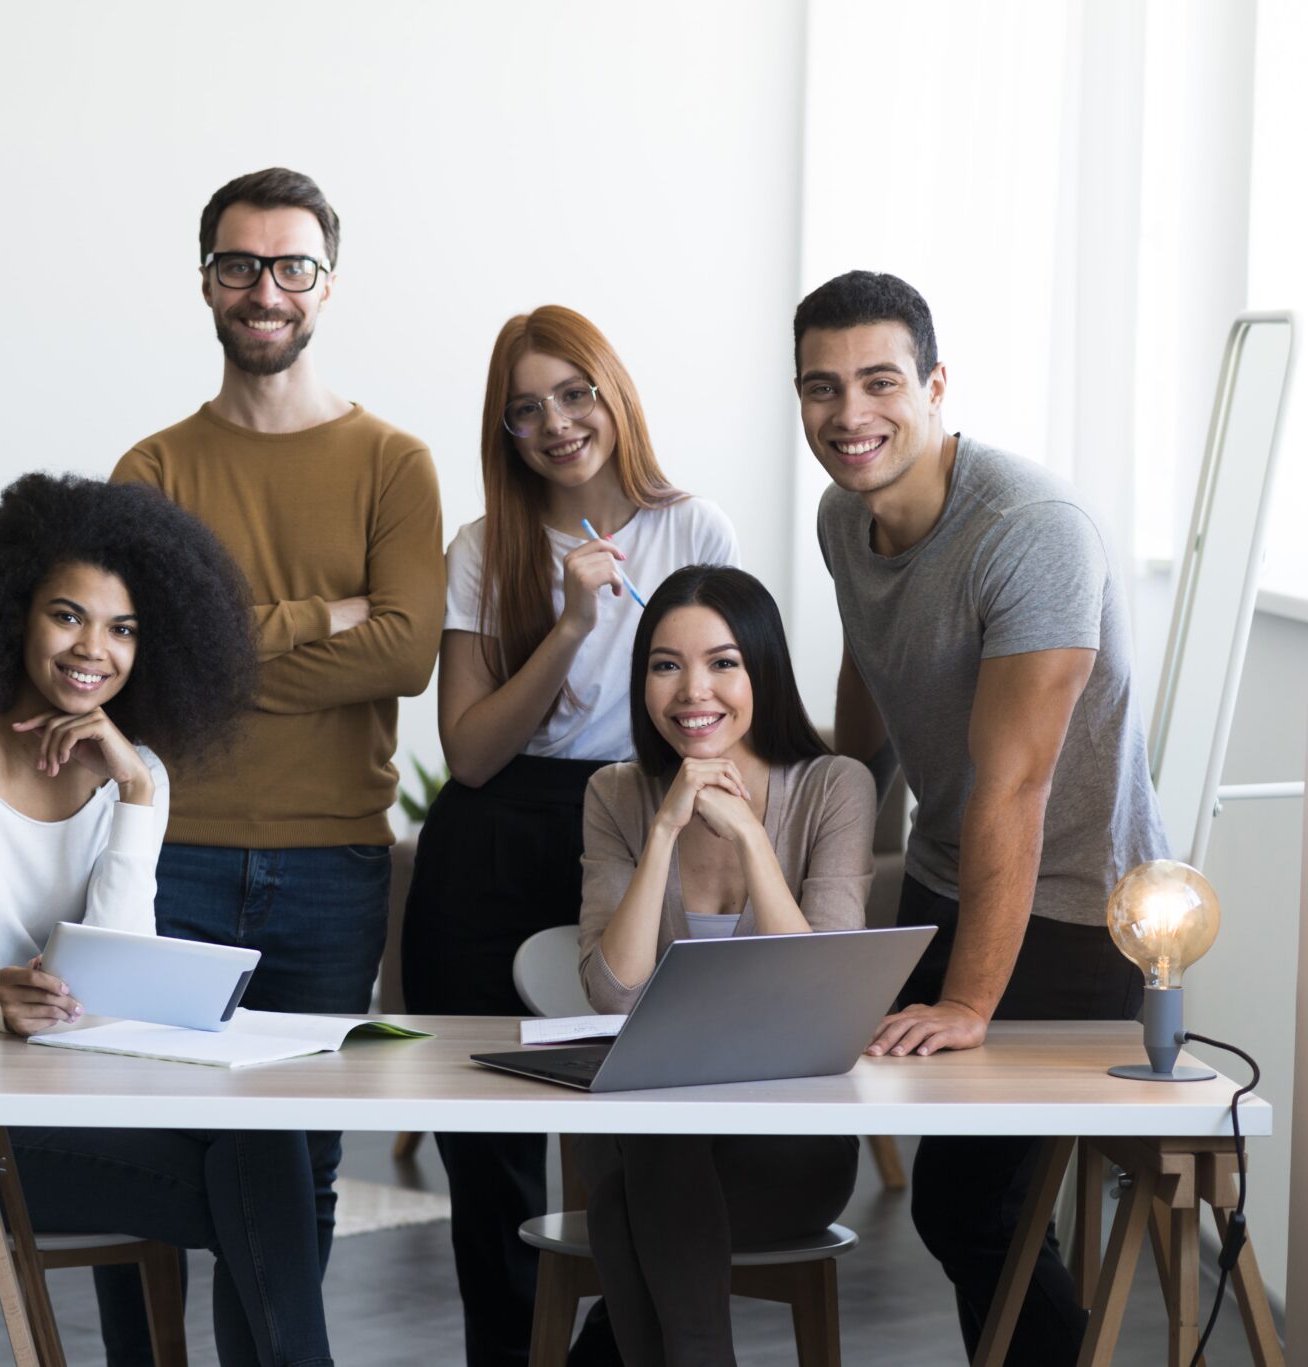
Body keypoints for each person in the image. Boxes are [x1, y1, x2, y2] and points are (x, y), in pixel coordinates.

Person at [0, 472, 336, 1367]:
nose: (92, 648)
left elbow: (115, 974)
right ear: (15, 611)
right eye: (68, 615)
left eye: (124, 627)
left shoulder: (133, 772)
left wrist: (134, 793)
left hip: (38, 1085)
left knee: (261, 1141)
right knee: (252, 1182)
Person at [796, 269, 1170, 1363]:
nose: (849, 415)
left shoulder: (1028, 531)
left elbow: (1017, 786)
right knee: (966, 1209)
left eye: (877, 382)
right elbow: (868, 667)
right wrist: (831, 796)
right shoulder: (842, 511)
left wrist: (967, 998)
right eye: (821, 388)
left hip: (1065, 908)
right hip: (945, 874)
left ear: (934, 384)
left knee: (970, 1207)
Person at [104, 165, 445, 1359]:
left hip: (329, 870)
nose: (264, 289)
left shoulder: (391, 463)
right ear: (205, 280)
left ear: (326, 285)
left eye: (289, 265)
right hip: (170, 856)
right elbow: (143, 668)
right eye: (239, 264)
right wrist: (323, 616)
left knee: (297, 1167)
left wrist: (230, 635)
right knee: (143, 1159)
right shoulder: (150, 471)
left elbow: (403, 654)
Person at [400, 305, 738, 1367]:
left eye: (572, 392)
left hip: (637, 823)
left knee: (645, 1123)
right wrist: (571, 625)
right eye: (524, 409)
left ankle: (601, 1348)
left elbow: (725, 700)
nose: (554, 423)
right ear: (503, 433)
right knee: (486, 1142)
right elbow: (470, 751)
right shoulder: (480, 546)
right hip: (491, 839)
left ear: (612, 390)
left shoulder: (693, 528)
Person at [573, 564, 875, 1367]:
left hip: (789, 1146)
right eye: (665, 664)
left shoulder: (835, 786)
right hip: (654, 1145)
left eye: (723, 662)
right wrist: (667, 830)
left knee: (622, 1198)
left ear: (762, 671)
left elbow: (819, 997)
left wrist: (748, 834)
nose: (691, 690)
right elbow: (612, 992)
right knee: (652, 1141)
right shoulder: (616, 795)